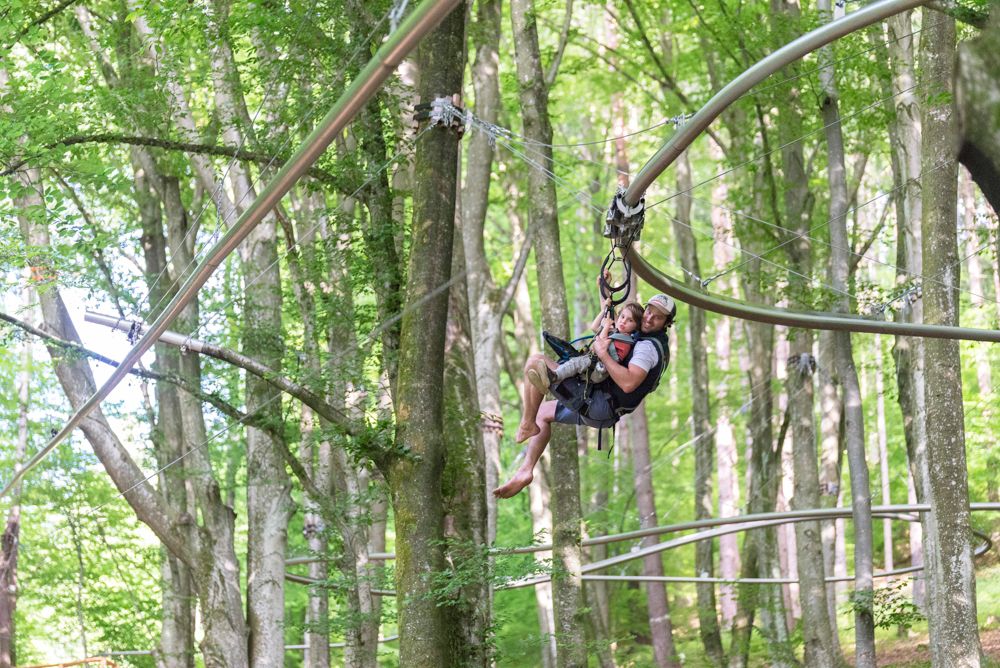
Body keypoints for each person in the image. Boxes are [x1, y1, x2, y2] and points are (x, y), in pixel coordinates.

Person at [495, 294, 676, 499]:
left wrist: (603, 353)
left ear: (666, 323)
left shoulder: (647, 348)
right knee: (543, 412)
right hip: (603, 407)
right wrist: (604, 291)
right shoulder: (645, 338)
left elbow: (628, 383)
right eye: (650, 310)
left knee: (536, 362)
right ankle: (525, 470)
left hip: (599, 404)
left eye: (658, 317)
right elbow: (613, 320)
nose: (650, 317)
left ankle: (526, 424)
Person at [538, 300, 644, 387]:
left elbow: (599, 346)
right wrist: (603, 311)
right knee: (574, 360)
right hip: (594, 361)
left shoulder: (625, 341)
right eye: (622, 317)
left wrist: (606, 326)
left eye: (630, 320)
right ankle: (548, 378)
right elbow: (594, 327)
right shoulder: (617, 333)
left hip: (598, 370)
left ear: (636, 326)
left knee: (576, 363)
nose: (623, 321)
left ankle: (555, 377)